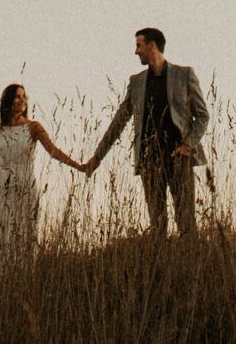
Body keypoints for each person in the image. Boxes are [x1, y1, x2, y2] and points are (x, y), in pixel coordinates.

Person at [81, 27, 211, 237]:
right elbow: (118, 123)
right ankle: (160, 267)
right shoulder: (137, 82)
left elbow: (202, 115)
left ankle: (190, 266)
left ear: (152, 46)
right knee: (158, 224)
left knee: (186, 221)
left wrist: (188, 146)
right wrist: (97, 157)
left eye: (138, 46)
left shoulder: (184, 74)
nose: (136, 52)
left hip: (179, 157)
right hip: (149, 159)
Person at [0, 83, 82, 275]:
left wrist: (77, 166)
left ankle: (24, 279)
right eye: (17, 97)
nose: (22, 101)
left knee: (25, 232)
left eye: (24, 97)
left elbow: (53, 151)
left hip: (24, 185)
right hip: (2, 188)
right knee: (0, 234)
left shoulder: (33, 127)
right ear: (9, 101)